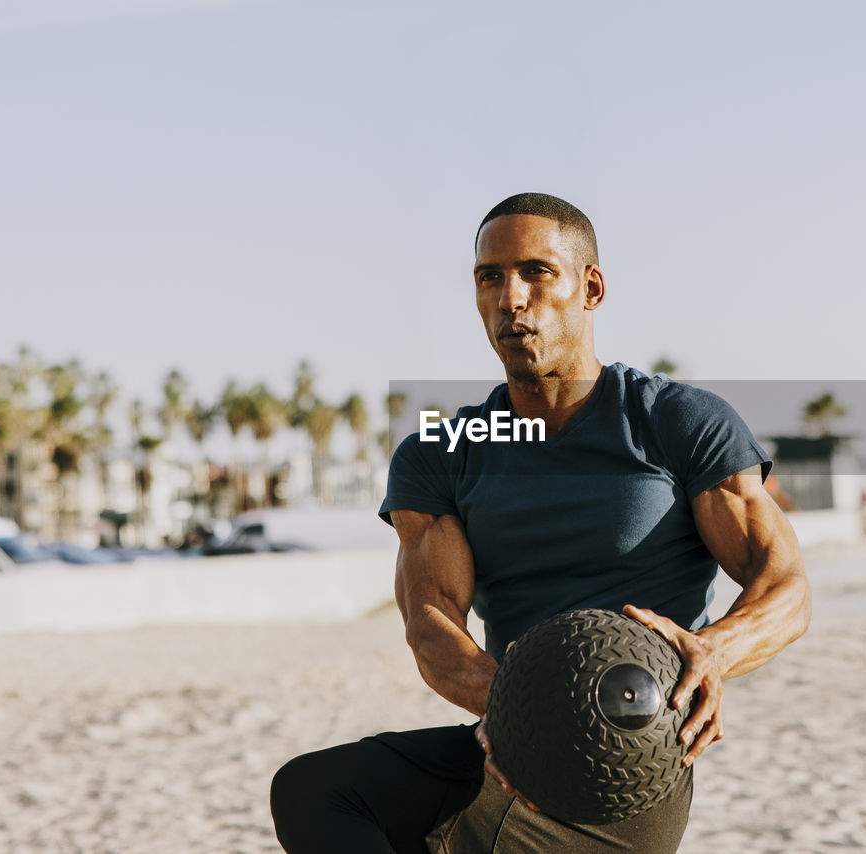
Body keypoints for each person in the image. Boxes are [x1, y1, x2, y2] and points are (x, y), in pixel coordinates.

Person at [270, 193, 811, 853]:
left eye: (535, 272)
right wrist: (516, 712)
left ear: (591, 288)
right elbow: (431, 623)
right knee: (315, 790)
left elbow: (785, 587)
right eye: (489, 277)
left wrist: (715, 650)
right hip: (507, 735)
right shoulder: (443, 453)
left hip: (627, 753)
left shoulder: (676, 422)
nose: (510, 297)